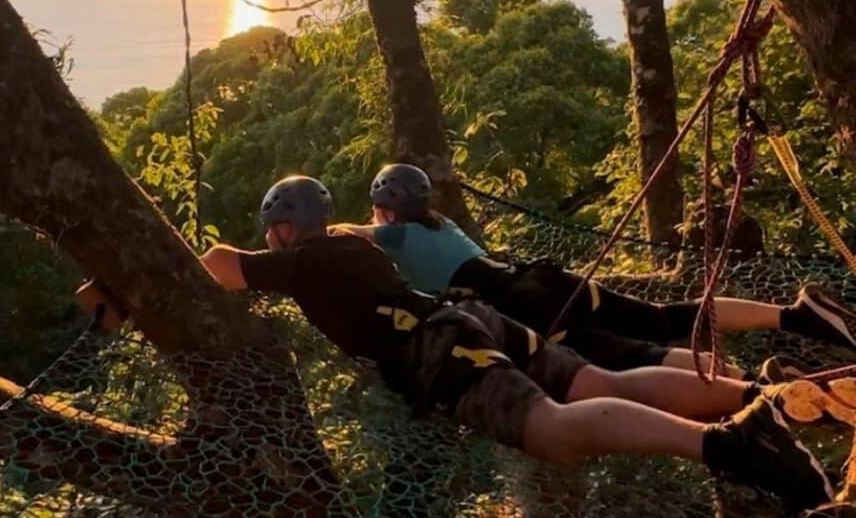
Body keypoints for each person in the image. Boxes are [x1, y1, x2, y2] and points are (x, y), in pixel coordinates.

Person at [197, 175, 833, 511]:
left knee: (553, 429)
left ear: (283, 228)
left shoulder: (303, 260)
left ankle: (729, 443)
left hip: (436, 348)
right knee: (605, 375)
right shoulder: (352, 245)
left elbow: (223, 265)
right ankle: (760, 399)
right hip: (473, 317)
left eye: (274, 229)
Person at [334, 163, 856, 379]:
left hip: (525, 306)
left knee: (633, 356)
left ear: (386, 207)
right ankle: (795, 316)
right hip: (543, 277)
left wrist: (342, 232)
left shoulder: (393, 233)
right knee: (663, 316)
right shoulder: (439, 222)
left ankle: (754, 389)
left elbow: (346, 234)